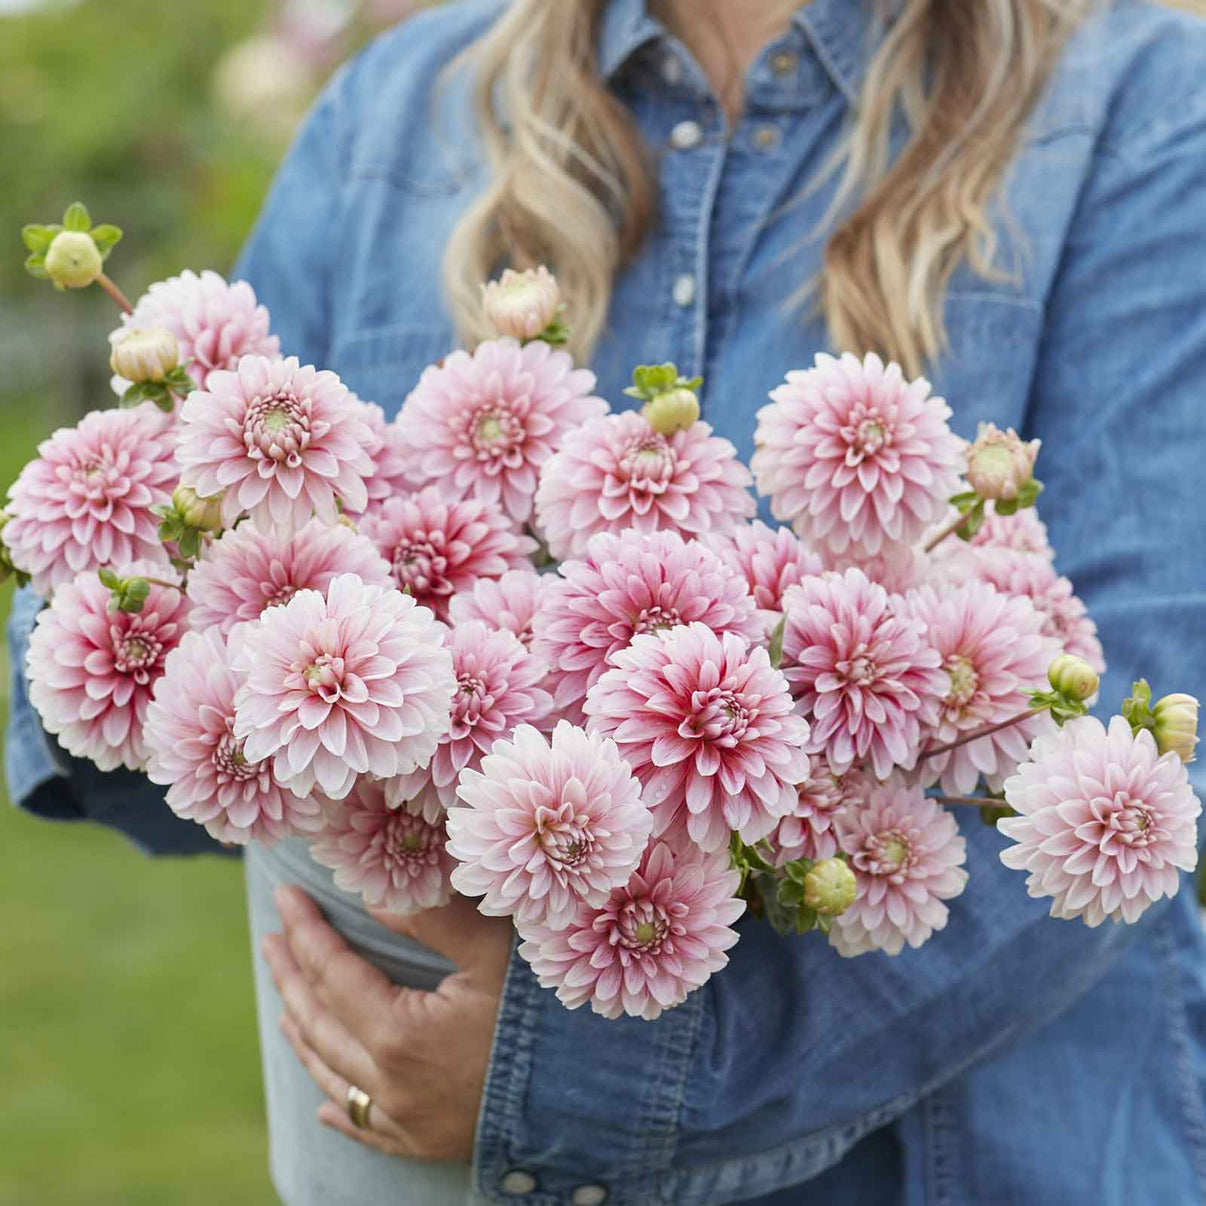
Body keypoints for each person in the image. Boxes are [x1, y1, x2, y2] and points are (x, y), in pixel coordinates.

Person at [8, 0, 1206, 1202]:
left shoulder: (1143, 107)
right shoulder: (396, 110)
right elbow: (195, 677)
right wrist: (117, 642)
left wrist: (573, 1072)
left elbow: (1143, 725)